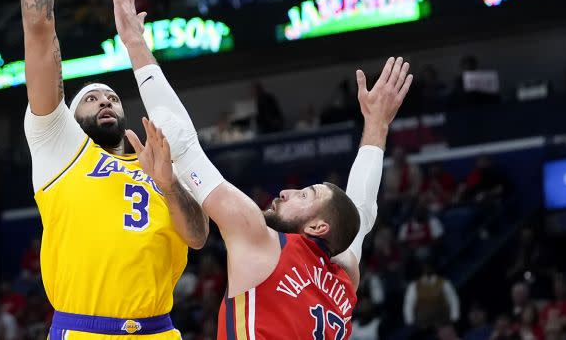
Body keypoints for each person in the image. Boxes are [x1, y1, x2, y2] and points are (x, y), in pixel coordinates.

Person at [13, 0, 208, 339]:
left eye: (113, 98)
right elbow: (39, 27)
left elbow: (198, 236)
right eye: (92, 98)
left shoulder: (157, 157)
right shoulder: (58, 146)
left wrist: (168, 186)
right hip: (84, 330)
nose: (106, 100)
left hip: (159, 330)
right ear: (68, 115)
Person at [130, 56, 414, 338]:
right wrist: (377, 124)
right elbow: (362, 211)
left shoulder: (261, 240)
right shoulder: (344, 278)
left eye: (305, 195)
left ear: (318, 227)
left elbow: (181, 141)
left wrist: (134, 44)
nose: (285, 192)